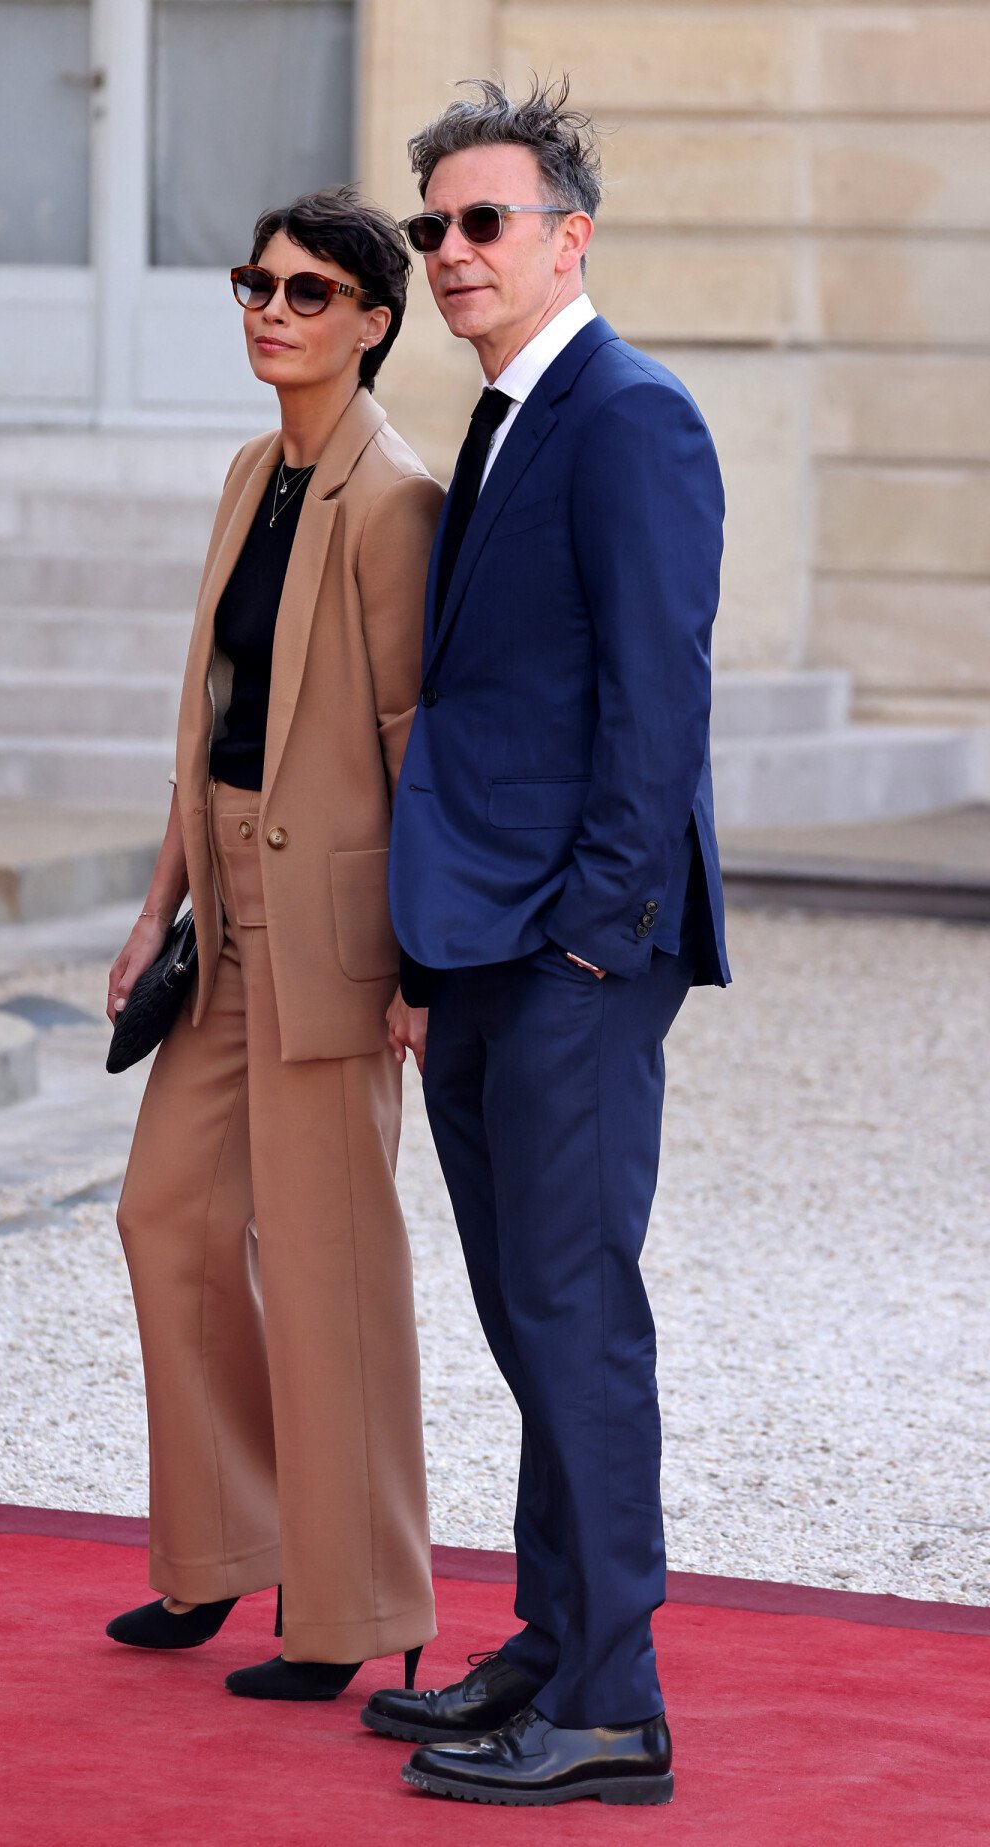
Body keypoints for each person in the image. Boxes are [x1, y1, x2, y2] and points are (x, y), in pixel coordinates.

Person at [364, 79, 730, 1806]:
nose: (448, 251)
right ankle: (551, 1640)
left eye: (481, 221)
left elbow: (659, 714)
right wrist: (438, 956)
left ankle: (612, 1705)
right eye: (431, 225)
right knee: (531, 1312)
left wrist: (593, 942)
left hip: (572, 954)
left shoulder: (630, 415)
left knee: (576, 1317)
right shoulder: (508, 416)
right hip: (484, 942)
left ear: (566, 235)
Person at [105, 188, 442, 1700]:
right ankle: (225, 1552)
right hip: (228, 905)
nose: (273, 311)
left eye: (310, 294)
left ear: (374, 324)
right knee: (168, 1218)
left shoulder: (397, 501)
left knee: (327, 1264)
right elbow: (209, 717)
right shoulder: (253, 472)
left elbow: (415, 743)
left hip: (338, 929)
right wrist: (159, 900)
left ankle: (361, 1605)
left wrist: (421, 963)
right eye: (259, 284)